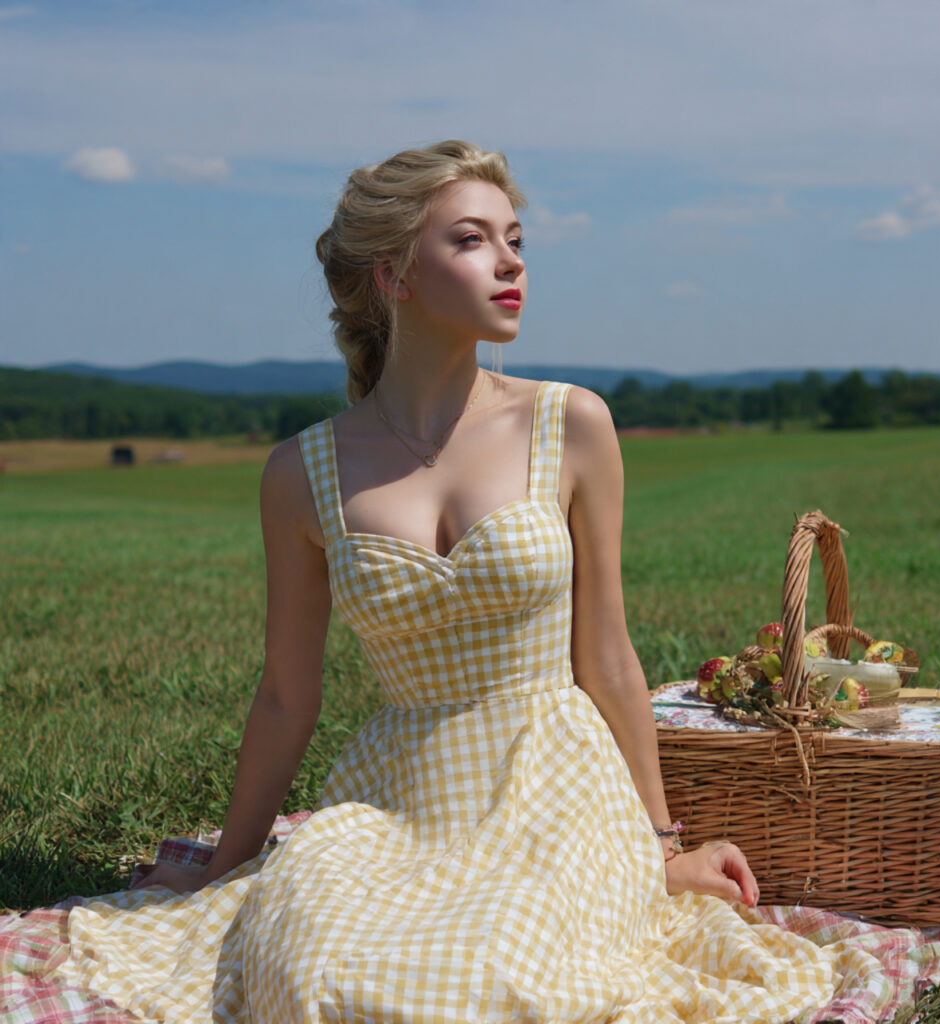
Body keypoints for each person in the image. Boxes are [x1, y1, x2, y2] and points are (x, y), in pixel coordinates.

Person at [19, 141, 841, 1022]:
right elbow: (286, 696)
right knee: (308, 969)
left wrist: (659, 849)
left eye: (516, 239)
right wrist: (232, 862)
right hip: (397, 798)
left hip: (558, 787)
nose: (512, 259)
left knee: (513, 978)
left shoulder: (573, 424)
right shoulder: (303, 471)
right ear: (395, 275)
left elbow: (607, 655)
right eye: (473, 240)